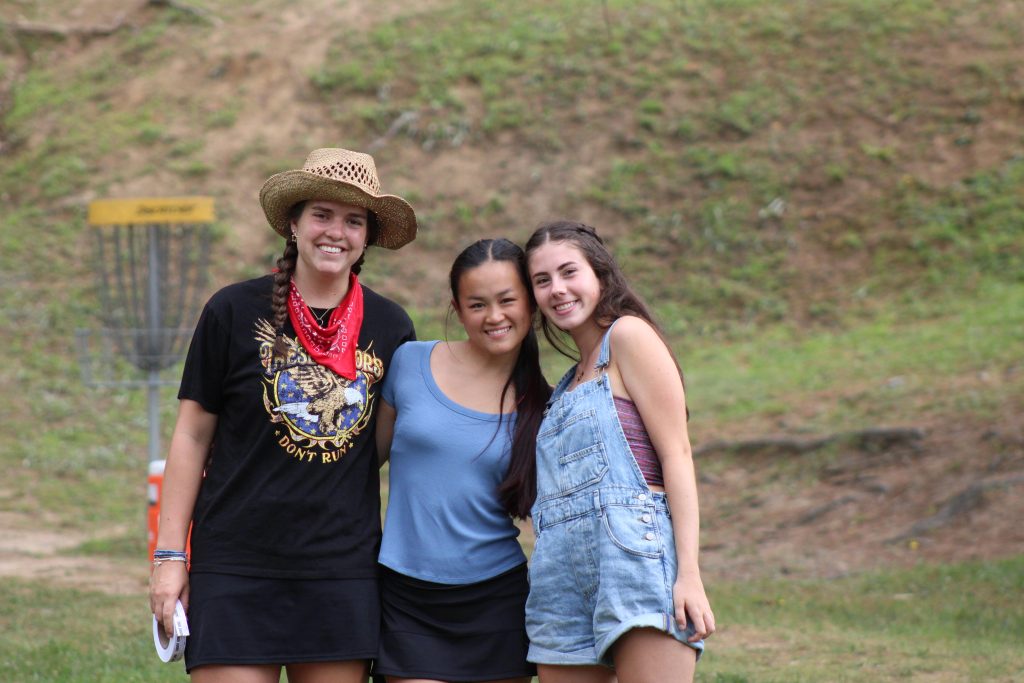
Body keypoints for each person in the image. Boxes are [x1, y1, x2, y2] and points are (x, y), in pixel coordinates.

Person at [149, 147, 418, 682]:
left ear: (367, 236)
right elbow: (192, 436)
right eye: (322, 214)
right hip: (235, 563)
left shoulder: (391, 327)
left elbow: (378, 448)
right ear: (293, 224)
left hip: (341, 570)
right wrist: (169, 557)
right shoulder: (231, 310)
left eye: (354, 220)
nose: (336, 232)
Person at [523, 220, 715, 683]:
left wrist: (688, 574)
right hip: (558, 578)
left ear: (600, 274)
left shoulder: (629, 337)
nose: (557, 289)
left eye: (569, 272)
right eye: (542, 280)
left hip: (635, 563)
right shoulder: (565, 385)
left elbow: (677, 456)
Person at [373, 238, 550, 683]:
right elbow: (357, 464)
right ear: (457, 308)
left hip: (496, 600)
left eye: (507, 300)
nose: (494, 316)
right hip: (406, 596)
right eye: (477, 304)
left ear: (531, 304)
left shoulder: (544, 405)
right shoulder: (409, 363)